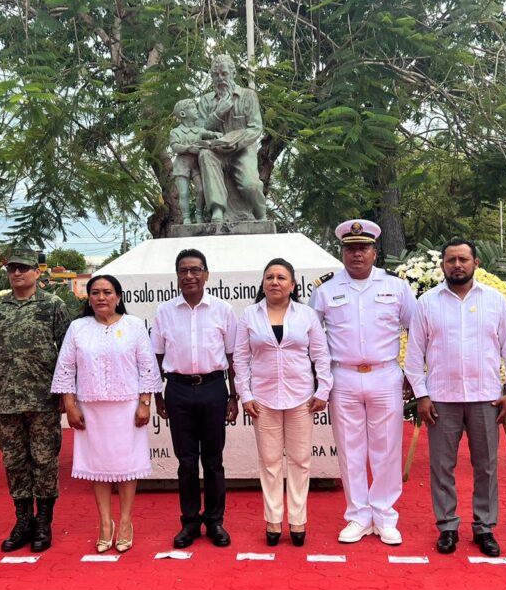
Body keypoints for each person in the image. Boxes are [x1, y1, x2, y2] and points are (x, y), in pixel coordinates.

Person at [404, 238, 506, 557]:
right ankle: (447, 526)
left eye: (463, 259)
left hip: (486, 397)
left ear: (475, 264)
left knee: (485, 465)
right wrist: (422, 395)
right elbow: (415, 354)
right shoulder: (428, 303)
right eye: (451, 260)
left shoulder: (495, 301)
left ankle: (484, 527)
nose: (457, 265)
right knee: (442, 465)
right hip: (441, 398)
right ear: (442, 265)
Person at [310, 219, 416, 545]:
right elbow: (313, 338)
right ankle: (357, 515)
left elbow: (418, 332)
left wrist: (412, 374)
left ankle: (384, 516)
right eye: (351, 248)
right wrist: (320, 381)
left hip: (385, 374)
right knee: (350, 449)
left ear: (374, 252)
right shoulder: (326, 289)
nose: (357, 254)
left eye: (364, 248)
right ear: (342, 252)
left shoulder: (396, 286)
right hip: (343, 375)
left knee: (386, 448)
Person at [51, 275, 161, 553]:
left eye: (107, 292)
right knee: (97, 469)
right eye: (96, 293)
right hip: (90, 408)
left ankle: (125, 522)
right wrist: (71, 404)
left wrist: (144, 403)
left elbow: (147, 366)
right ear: (88, 299)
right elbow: (66, 368)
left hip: (127, 408)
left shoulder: (134, 326)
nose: (101, 297)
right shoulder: (78, 328)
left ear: (119, 297)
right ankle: (104, 523)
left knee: (126, 468)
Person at [0, 250, 70, 553]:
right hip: (7, 400)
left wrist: (66, 394)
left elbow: (68, 355)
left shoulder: (53, 306)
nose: (17, 274)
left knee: (44, 461)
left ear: (37, 272)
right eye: (12, 268)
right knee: (15, 462)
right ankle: (23, 521)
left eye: (23, 268)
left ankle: (43, 522)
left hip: (44, 399)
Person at [234, 258, 332, 547]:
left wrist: (323, 390)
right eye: (269, 277)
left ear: (293, 285)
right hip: (262, 400)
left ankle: (298, 520)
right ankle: (273, 520)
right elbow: (240, 359)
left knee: (300, 461)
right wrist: (245, 394)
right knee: (270, 462)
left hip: (301, 398)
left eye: (281, 277)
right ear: (262, 283)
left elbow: (321, 356)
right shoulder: (250, 316)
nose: (274, 282)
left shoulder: (306, 315)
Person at [151, 248, 239, 548]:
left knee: (213, 460)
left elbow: (232, 356)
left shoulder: (222, 310)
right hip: (177, 391)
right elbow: (156, 357)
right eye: (184, 271)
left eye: (195, 270)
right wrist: (158, 397)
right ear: (177, 276)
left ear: (206, 274)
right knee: (186, 462)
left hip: (214, 389)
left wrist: (233, 397)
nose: (189, 276)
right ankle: (189, 522)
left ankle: (215, 521)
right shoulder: (164, 312)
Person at [195, 54, 268, 222]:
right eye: (216, 75)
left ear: (233, 73)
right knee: (205, 155)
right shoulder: (206, 101)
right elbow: (200, 130)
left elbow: (255, 127)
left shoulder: (248, 96)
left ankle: (261, 213)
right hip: (216, 150)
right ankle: (217, 210)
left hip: (242, 149)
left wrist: (235, 144)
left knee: (251, 184)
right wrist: (218, 113)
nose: (220, 78)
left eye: (224, 73)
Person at [169, 98, 221, 224]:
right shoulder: (176, 131)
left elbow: (208, 133)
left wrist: (216, 135)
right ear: (183, 114)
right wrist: (187, 148)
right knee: (184, 192)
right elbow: (174, 146)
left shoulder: (198, 130)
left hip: (196, 165)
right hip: (182, 165)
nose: (196, 110)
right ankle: (186, 217)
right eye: (192, 108)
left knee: (202, 189)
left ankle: (199, 214)